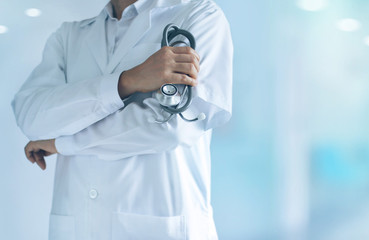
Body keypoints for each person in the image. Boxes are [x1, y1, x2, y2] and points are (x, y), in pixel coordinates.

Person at [11, 0, 232, 239]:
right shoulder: (69, 36)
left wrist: (62, 143)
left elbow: (171, 128)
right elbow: (31, 116)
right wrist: (126, 81)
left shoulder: (200, 15)